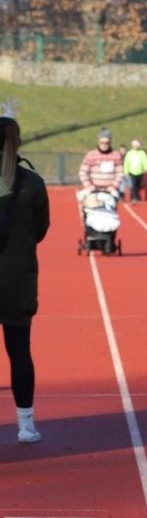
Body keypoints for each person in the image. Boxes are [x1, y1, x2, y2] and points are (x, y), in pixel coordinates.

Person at [0, 116, 50, 443]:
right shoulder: (32, 182)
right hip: (17, 280)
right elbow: (41, 230)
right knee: (20, 353)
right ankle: (26, 425)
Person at [79, 128, 123, 197]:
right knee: (81, 197)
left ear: (110, 142)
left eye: (107, 143)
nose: (104, 145)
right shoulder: (91, 155)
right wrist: (89, 186)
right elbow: (83, 172)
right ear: (98, 142)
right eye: (102, 143)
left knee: (113, 201)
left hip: (110, 190)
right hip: (93, 190)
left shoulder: (116, 155)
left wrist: (113, 187)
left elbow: (120, 173)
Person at [123, 139, 147, 203]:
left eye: (137, 145)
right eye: (134, 145)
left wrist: (146, 168)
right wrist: (125, 171)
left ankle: (137, 195)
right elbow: (126, 162)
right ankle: (134, 197)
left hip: (140, 172)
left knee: (138, 185)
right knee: (133, 185)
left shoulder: (142, 153)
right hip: (131, 172)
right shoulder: (129, 153)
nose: (136, 147)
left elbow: (145, 161)